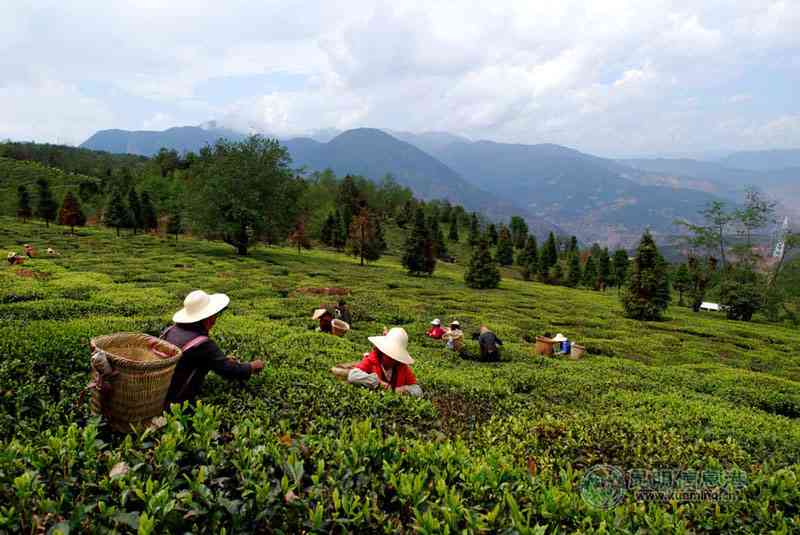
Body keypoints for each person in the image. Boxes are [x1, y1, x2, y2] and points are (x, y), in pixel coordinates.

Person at [161, 290, 264, 405]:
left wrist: (222, 361)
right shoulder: (202, 344)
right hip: (177, 401)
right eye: (215, 315)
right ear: (207, 318)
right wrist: (252, 366)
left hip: (162, 390)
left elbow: (191, 361)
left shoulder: (171, 330)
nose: (215, 320)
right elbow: (230, 371)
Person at [347, 327, 423, 397]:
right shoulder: (372, 360)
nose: (392, 358)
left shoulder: (402, 367)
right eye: (390, 354)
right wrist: (378, 383)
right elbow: (353, 375)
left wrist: (404, 389)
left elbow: (418, 390)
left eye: (396, 356)